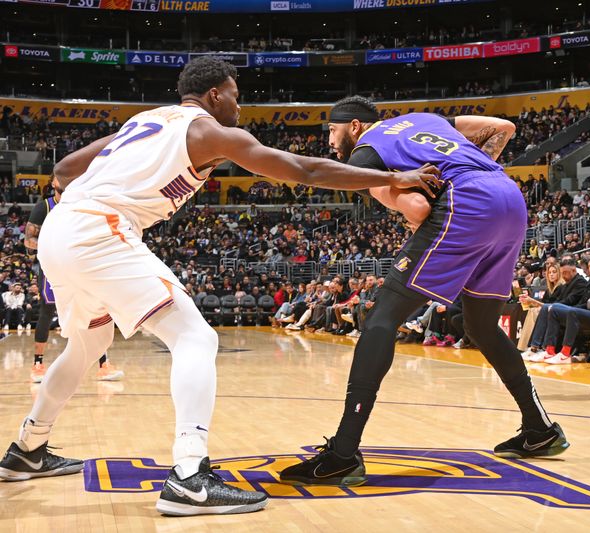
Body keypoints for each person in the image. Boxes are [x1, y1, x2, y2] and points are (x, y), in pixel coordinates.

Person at [0, 57, 439, 516]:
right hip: (98, 230)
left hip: (60, 230)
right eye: (235, 94)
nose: (239, 105)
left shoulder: (144, 121)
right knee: (195, 337)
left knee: (89, 344)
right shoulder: (208, 131)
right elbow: (303, 170)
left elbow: (67, 168)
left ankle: (28, 448)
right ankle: (190, 477)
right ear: (214, 95)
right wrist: (392, 177)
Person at [280, 96, 568, 488]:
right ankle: (540, 428)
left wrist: (387, 189)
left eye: (331, 130)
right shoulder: (425, 120)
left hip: (467, 203)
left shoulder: (366, 151)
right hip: (509, 199)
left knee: (382, 317)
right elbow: (504, 129)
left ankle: (343, 453)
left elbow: (416, 208)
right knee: (481, 324)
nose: (330, 141)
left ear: (353, 126)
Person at [24, 190, 124, 384]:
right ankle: (38, 365)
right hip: (53, 266)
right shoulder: (44, 206)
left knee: (95, 309)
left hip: (80, 264)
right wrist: (57, 244)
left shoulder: (83, 205)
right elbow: (29, 240)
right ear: (54, 182)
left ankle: (104, 365)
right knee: (47, 310)